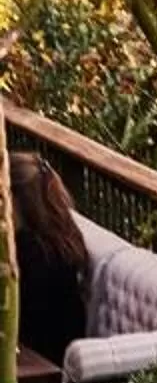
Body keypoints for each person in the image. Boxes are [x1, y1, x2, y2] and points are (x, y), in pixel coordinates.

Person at [10, 153, 94, 368]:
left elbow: (24, 319)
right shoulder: (61, 237)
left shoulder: (37, 253)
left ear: (15, 198)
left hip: (44, 361)